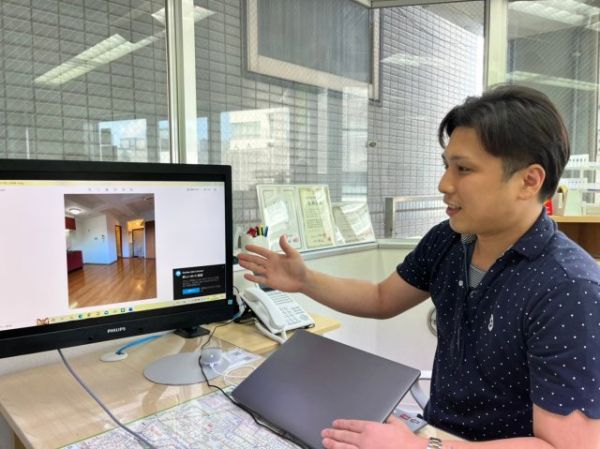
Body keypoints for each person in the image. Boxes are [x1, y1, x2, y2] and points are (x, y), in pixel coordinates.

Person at [237, 85, 600, 449]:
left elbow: (567, 447)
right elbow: (381, 298)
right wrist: (305, 280)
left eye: (463, 169)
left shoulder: (570, 289)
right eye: (446, 166)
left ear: (528, 181)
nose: (444, 184)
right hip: (435, 434)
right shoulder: (448, 240)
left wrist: (421, 448)